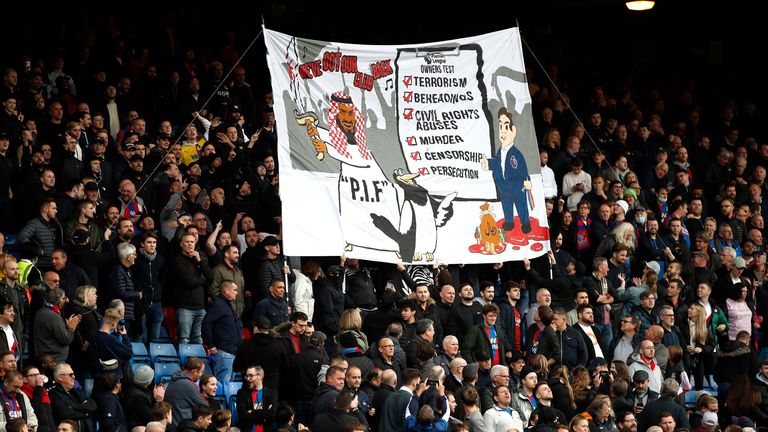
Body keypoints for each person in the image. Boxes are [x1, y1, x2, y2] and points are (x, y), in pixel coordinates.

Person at [302, 91, 402, 253]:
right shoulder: (336, 137)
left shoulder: (363, 144)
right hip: (355, 198)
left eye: (350, 113)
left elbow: (356, 156)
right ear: (334, 115)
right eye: (343, 113)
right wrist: (312, 127)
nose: (348, 119)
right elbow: (329, 137)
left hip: (378, 199)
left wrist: (326, 148)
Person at [480, 107, 534, 233]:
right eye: (500, 127)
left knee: (521, 206)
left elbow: (523, 169)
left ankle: (525, 223)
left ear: (513, 131)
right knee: (506, 205)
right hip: (503, 187)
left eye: (506, 127)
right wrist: (488, 163)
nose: (503, 132)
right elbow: (498, 164)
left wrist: (527, 181)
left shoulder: (517, 154)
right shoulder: (500, 152)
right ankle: (509, 221)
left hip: (517, 186)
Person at [201, 280, 243, 383]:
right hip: (225, 352)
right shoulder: (218, 305)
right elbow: (206, 323)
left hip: (233, 352)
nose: (237, 293)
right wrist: (210, 345)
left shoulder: (227, 305)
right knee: (223, 385)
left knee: (229, 385)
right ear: (227, 290)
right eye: (235, 290)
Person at [33, 289, 80, 364]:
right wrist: (72, 327)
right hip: (54, 362)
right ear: (59, 302)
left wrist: (67, 326)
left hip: (47, 359)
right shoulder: (53, 316)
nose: (67, 300)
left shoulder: (42, 311)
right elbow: (66, 339)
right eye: (64, 298)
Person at [48, 363, 97, 432]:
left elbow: (93, 405)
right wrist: (86, 413)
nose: (74, 377)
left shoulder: (76, 391)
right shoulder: (52, 393)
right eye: (70, 375)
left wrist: (74, 407)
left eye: (73, 374)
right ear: (59, 378)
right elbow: (64, 413)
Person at [164, 357, 208, 425]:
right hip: (183, 427)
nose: (201, 375)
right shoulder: (187, 384)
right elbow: (204, 406)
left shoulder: (174, 379)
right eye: (201, 372)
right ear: (195, 371)